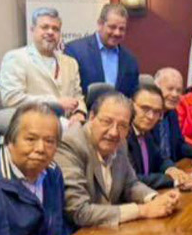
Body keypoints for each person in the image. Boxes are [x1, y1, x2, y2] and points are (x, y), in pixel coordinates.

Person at [56, 91, 180, 227]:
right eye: (107, 122)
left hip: (107, 232)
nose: (114, 132)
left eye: (122, 126)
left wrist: (155, 198)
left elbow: (130, 184)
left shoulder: (121, 143)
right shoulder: (70, 145)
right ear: (91, 117)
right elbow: (79, 211)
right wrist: (142, 210)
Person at [0, 103, 72, 235]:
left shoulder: (53, 172)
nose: (40, 148)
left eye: (49, 141)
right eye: (30, 139)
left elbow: (57, 228)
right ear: (10, 140)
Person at [0, 7, 86, 122]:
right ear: (32, 30)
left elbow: (77, 96)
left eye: (55, 29)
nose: (50, 32)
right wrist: (55, 103)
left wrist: (79, 112)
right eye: (45, 27)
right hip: (32, 125)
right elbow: (11, 99)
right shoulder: (16, 58)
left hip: (68, 127)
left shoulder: (70, 63)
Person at [127, 84, 192, 190]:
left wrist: (171, 170)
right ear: (130, 105)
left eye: (156, 112)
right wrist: (174, 180)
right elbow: (131, 179)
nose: (151, 116)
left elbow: (160, 159)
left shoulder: (146, 133)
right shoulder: (122, 136)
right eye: (145, 109)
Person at [65, 3, 141, 97]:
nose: (117, 33)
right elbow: (68, 91)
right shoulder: (75, 51)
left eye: (122, 29)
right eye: (112, 27)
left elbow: (133, 95)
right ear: (100, 24)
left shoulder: (130, 60)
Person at [153, 67, 192, 161]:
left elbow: (180, 146)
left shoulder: (172, 114)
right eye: (170, 89)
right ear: (156, 89)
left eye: (178, 90)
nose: (175, 94)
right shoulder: (148, 117)